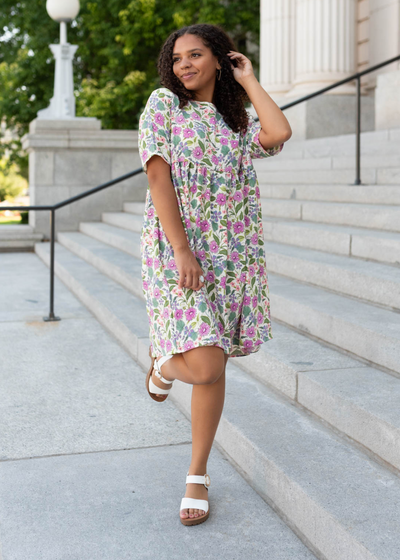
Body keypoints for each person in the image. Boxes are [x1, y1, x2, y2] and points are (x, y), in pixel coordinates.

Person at [138, 23, 292, 526]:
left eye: (196, 55)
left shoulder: (234, 119)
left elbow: (279, 134)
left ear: (219, 60)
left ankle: (197, 474)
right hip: (175, 248)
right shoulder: (164, 105)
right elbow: (157, 172)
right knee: (203, 364)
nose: (184, 65)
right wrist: (182, 249)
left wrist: (247, 80)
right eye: (178, 57)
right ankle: (164, 366)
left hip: (230, 257)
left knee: (215, 363)